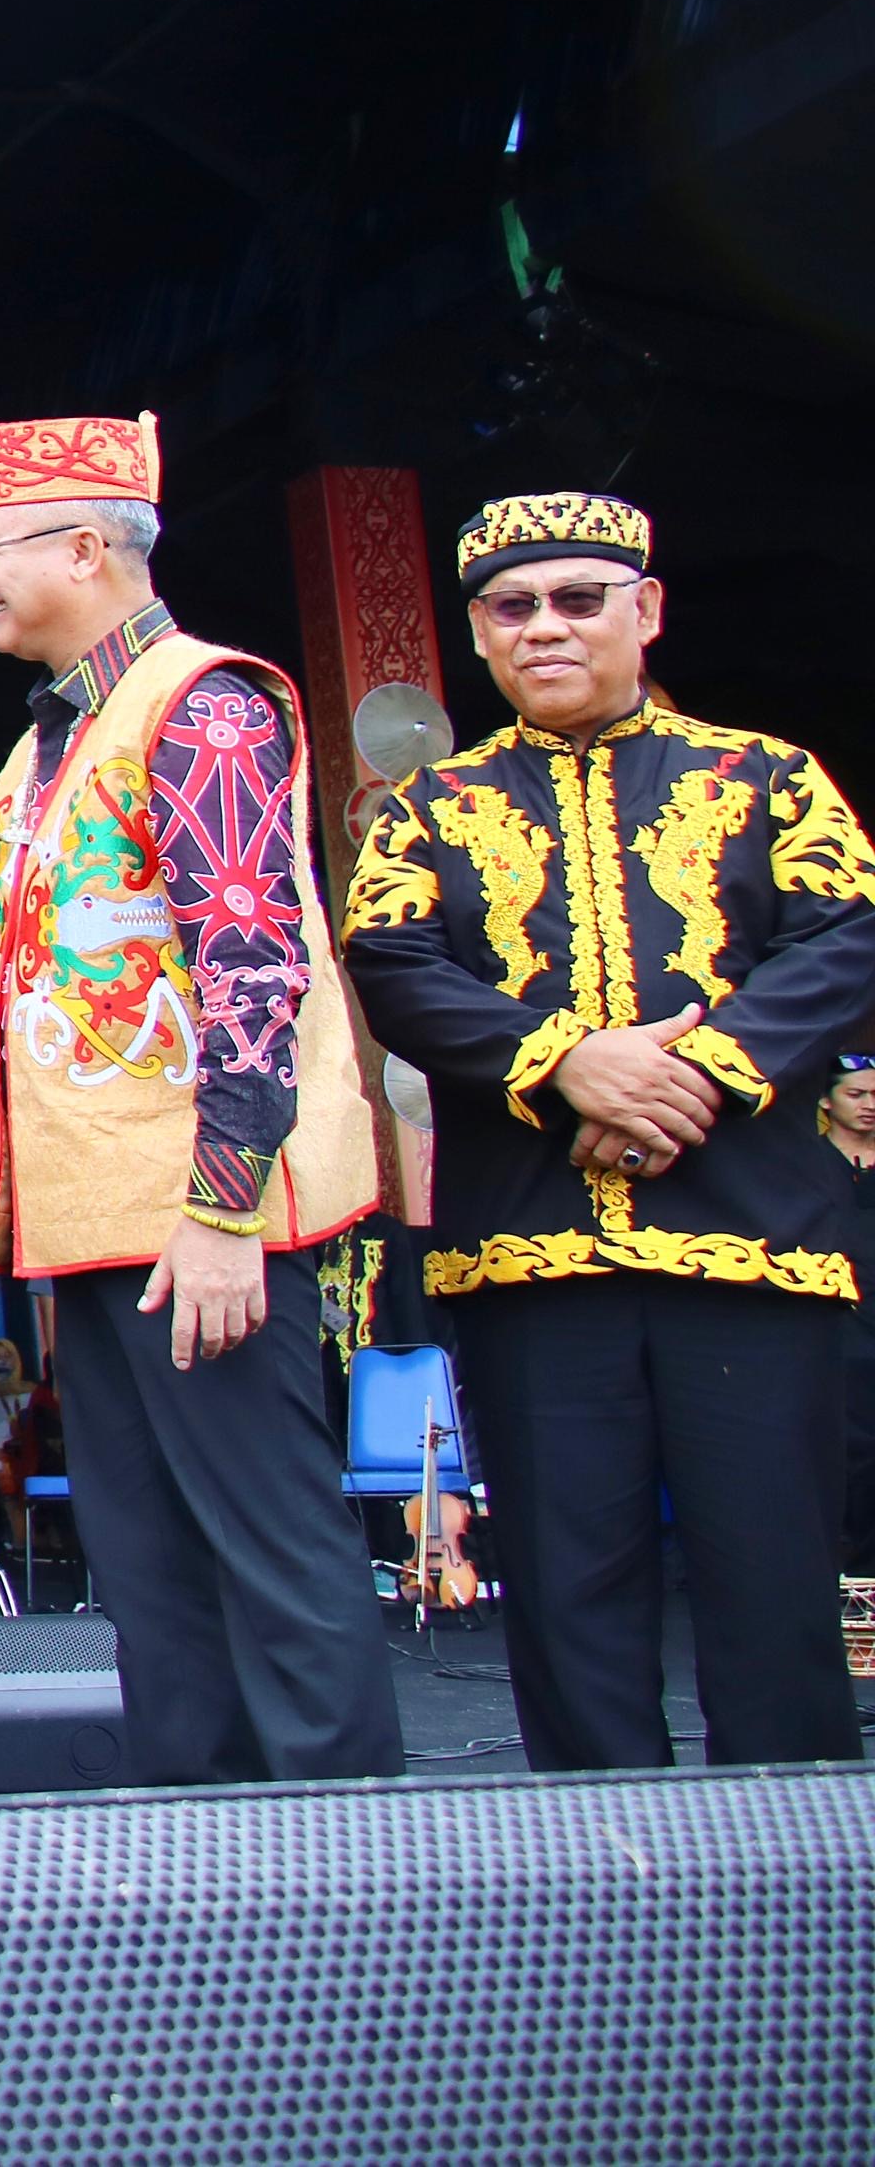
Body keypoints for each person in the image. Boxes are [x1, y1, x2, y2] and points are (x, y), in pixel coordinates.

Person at [0, 366, 397, 1787]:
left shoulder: (205, 706)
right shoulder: (42, 752)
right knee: (153, 1568)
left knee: (276, 1551)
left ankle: (368, 1874)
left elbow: (253, 960)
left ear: (84, 548)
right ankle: (205, 1848)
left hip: (204, 1216)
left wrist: (227, 1207)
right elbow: (44, 957)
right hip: (101, 1220)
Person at [342, 493, 875, 1771]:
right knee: (566, 1593)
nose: (543, 627)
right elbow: (390, 963)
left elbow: (846, 932)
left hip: (751, 1245)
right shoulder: (426, 808)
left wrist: (692, 1074)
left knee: (771, 1582)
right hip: (533, 1257)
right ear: (475, 632)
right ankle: (602, 1897)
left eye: (578, 598)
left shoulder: (766, 775)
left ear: (643, 609)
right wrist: (566, 1065)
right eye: (510, 607)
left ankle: (797, 1885)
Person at [823, 1056, 875, 1568]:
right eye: (856, 1095)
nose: (869, 1107)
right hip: (838, 1321)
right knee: (848, 1445)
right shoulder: (809, 1163)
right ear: (827, 1100)